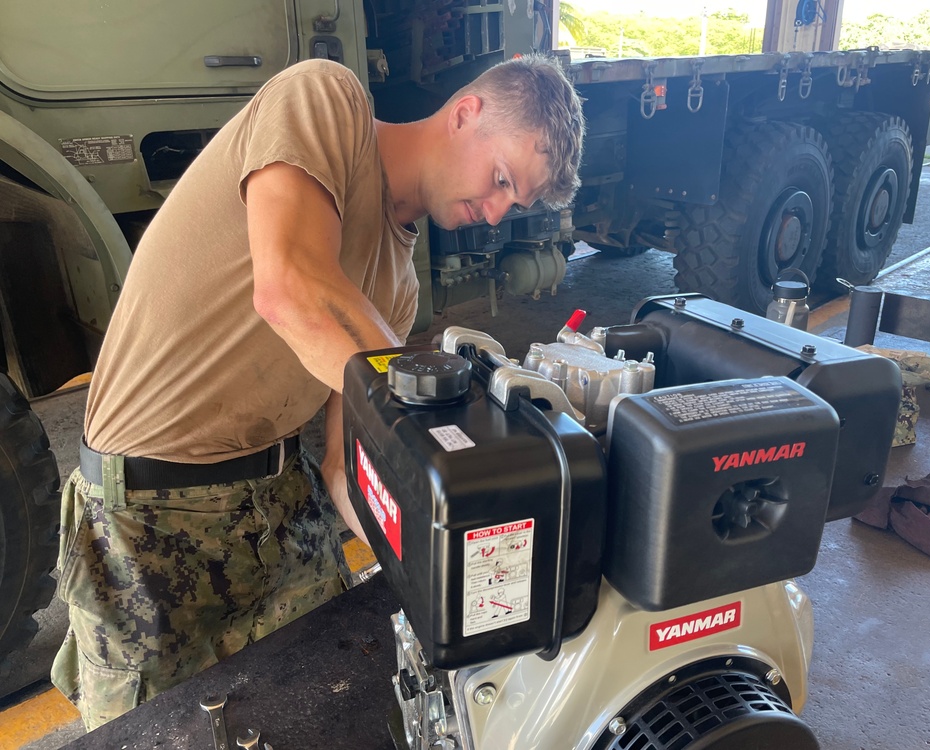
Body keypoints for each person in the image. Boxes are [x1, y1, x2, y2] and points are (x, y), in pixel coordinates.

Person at [51, 53, 585, 729]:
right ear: (465, 113)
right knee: (153, 734)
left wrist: (431, 568)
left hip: (275, 497)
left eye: (518, 202)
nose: (499, 210)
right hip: (148, 513)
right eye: (503, 178)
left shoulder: (398, 287)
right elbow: (289, 288)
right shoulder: (326, 103)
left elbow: (341, 466)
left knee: (332, 709)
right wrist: (429, 415)